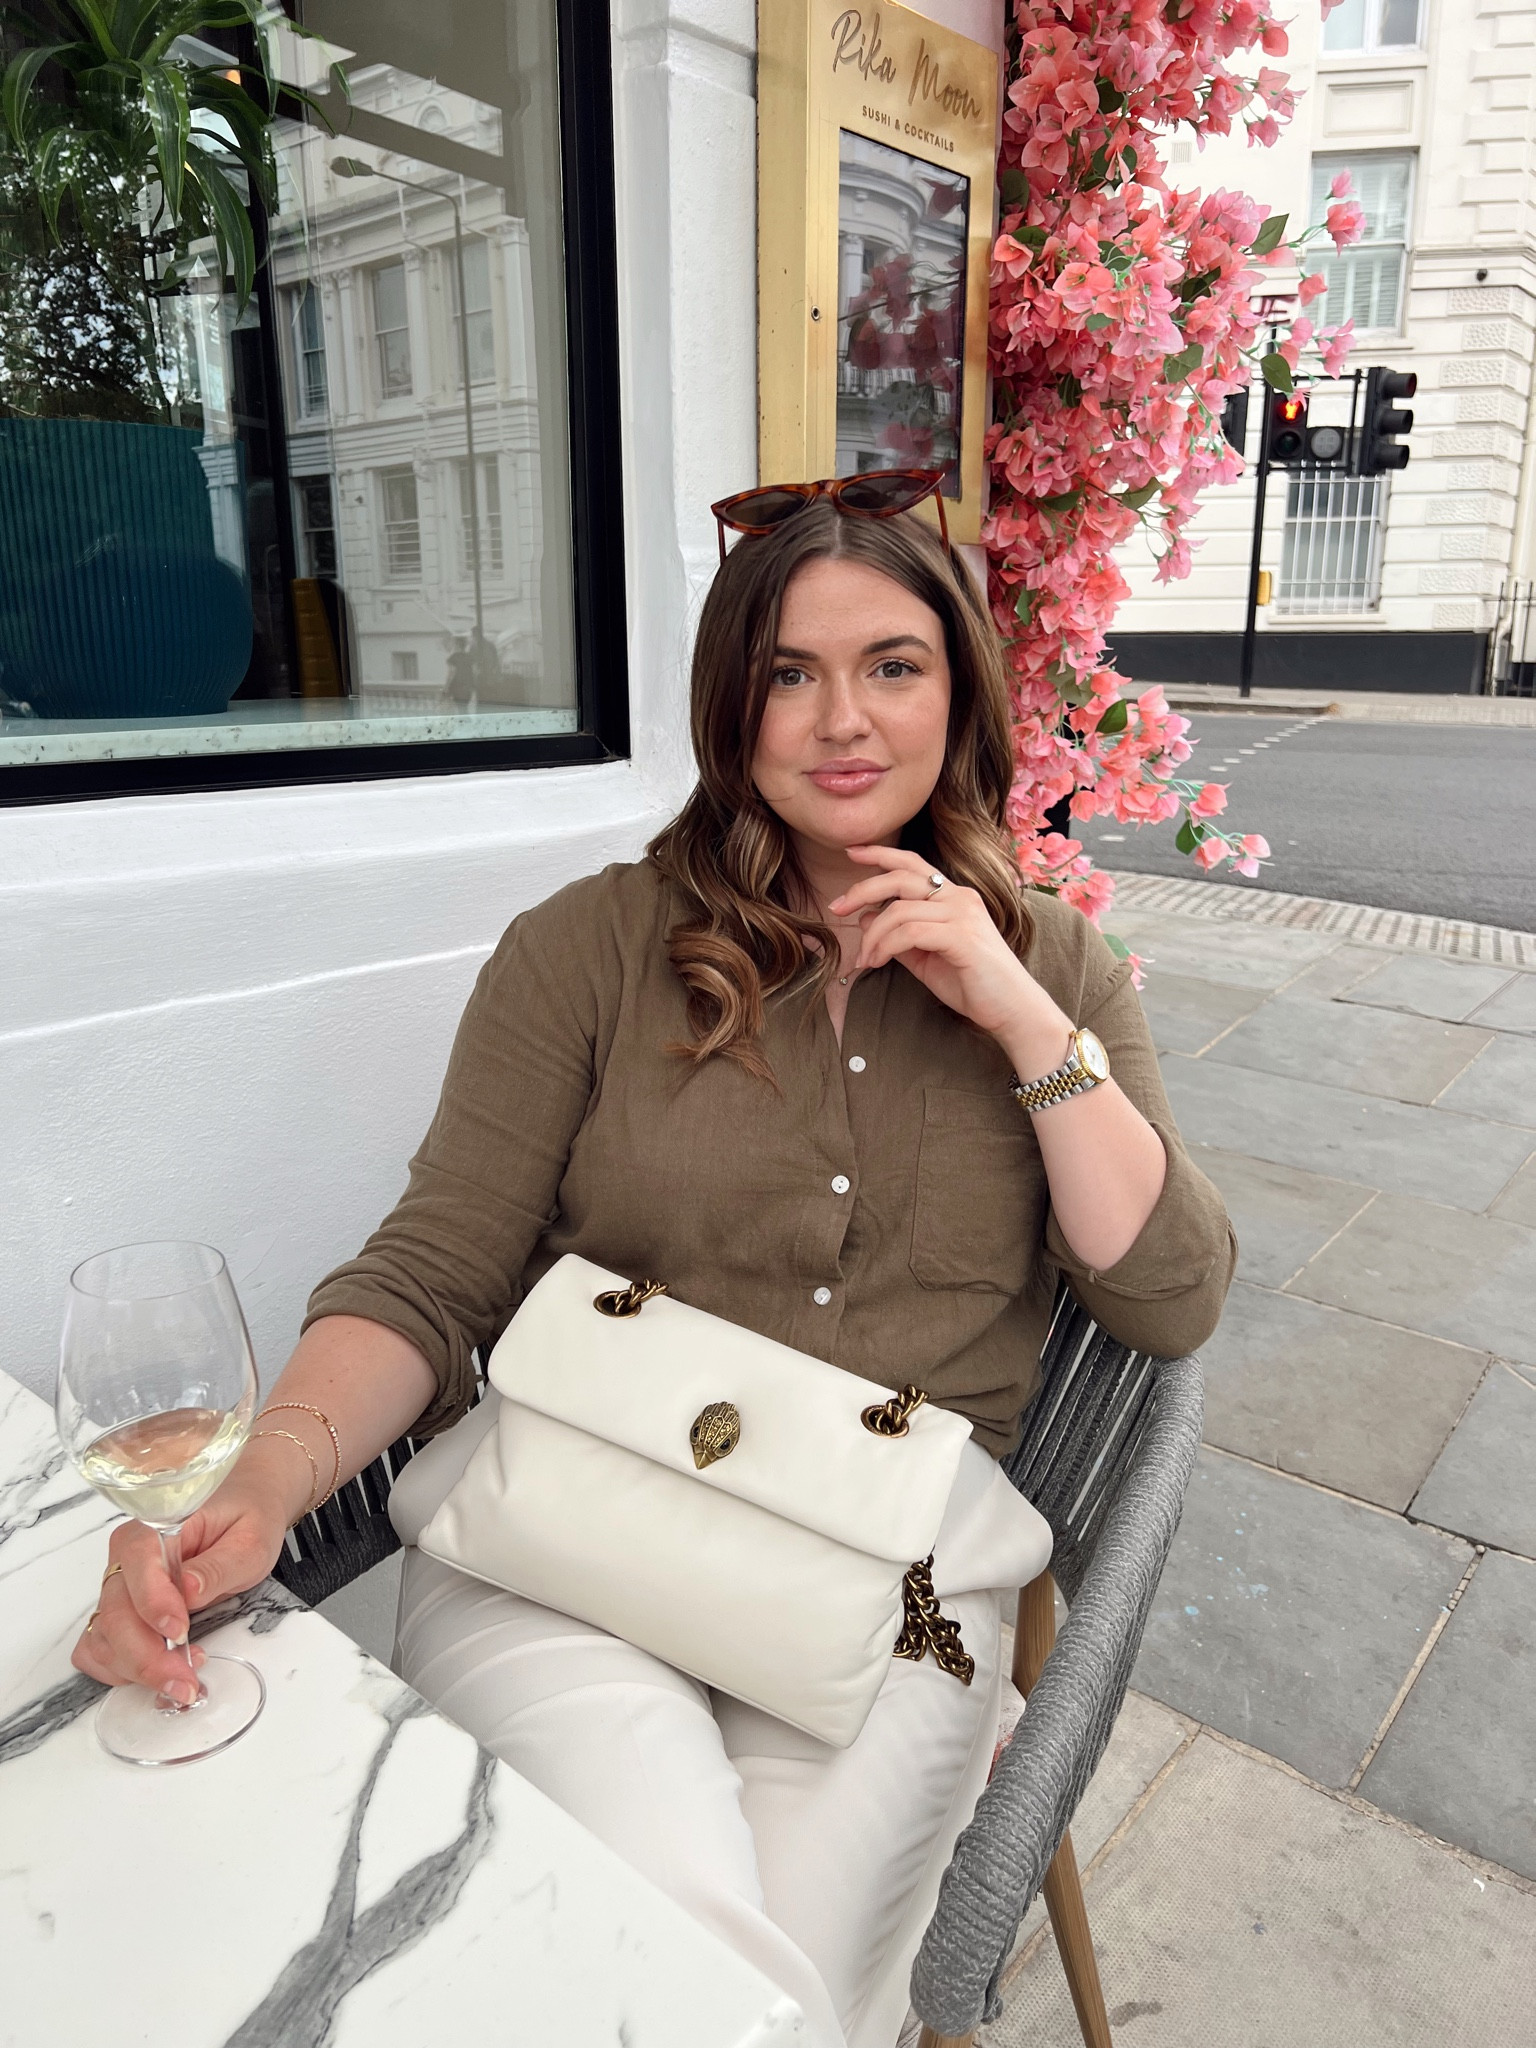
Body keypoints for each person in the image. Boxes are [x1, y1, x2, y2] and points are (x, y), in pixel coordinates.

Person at [74, 479, 1234, 2048]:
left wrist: (1023, 1019)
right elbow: (436, 1268)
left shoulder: (1056, 965)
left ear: (958, 689)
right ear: (727, 705)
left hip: (893, 1593)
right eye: (786, 673)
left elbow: (1166, 1294)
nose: (843, 720)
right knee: (682, 1961)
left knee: (742, 1991)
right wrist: (266, 1481)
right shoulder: (590, 951)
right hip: (570, 1553)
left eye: (893, 664)